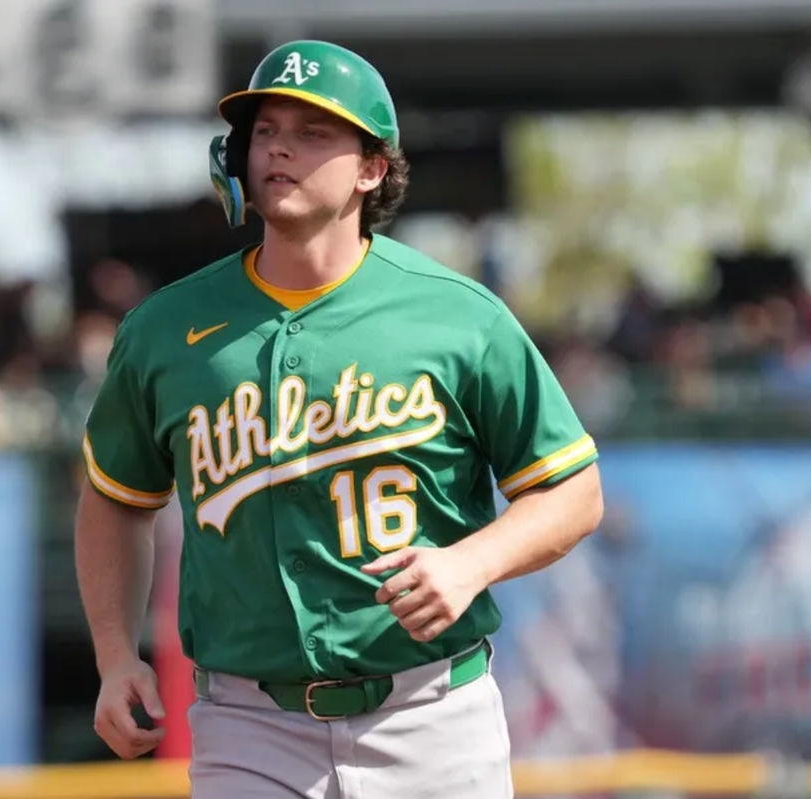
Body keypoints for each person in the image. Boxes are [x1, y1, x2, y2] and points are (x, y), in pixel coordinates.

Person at [75, 39, 604, 798]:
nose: (280, 147)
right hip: (248, 724)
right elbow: (114, 500)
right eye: (265, 130)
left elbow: (574, 492)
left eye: (313, 131)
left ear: (372, 168)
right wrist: (115, 653)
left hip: (433, 714)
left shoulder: (459, 317)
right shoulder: (166, 329)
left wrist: (472, 561)